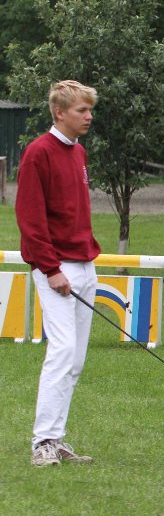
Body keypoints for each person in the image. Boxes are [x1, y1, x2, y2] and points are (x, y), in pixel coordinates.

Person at [15, 80, 100, 467]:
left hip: (85, 264)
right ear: (59, 112)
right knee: (62, 350)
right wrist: (50, 269)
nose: (88, 116)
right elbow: (30, 219)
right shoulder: (38, 153)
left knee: (77, 359)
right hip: (56, 268)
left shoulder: (78, 152)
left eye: (89, 109)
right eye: (82, 110)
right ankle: (42, 442)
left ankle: (58, 437)